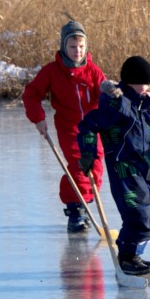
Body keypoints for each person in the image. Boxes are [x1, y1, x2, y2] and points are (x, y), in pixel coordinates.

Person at [77, 55, 150, 276]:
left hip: (146, 171)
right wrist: (88, 153)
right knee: (138, 217)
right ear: (130, 83)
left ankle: (133, 254)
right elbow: (88, 125)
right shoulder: (115, 106)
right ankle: (127, 257)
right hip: (124, 170)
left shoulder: (146, 108)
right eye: (145, 83)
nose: (149, 88)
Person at [23, 20, 117, 233]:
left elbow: (102, 91)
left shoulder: (92, 70)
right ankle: (75, 210)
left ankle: (83, 204)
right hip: (69, 126)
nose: (77, 51)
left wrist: (109, 90)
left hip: (93, 127)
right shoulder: (52, 71)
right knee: (79, 164)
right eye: (73, 47)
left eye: (81, 47)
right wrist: (38, 118)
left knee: (96, 167)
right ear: (64, 47)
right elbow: (31, 93)